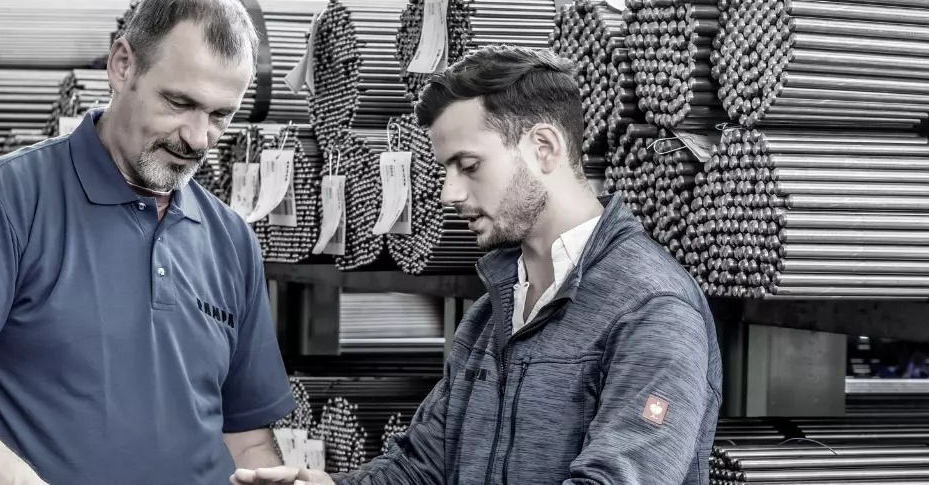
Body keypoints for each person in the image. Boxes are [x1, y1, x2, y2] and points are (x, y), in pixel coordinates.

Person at [233, 45, 722, 485]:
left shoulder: (652, 309)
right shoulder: (492, 313)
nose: (450, 193)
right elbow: (421, 466)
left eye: (469, 166)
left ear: (544, 148)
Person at [0, 0, 294, 485]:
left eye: (219, 116)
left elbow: (247, 437)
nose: (197, 137)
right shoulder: (8, 199)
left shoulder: (230, 240)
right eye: (178, 102)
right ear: (123, 66)